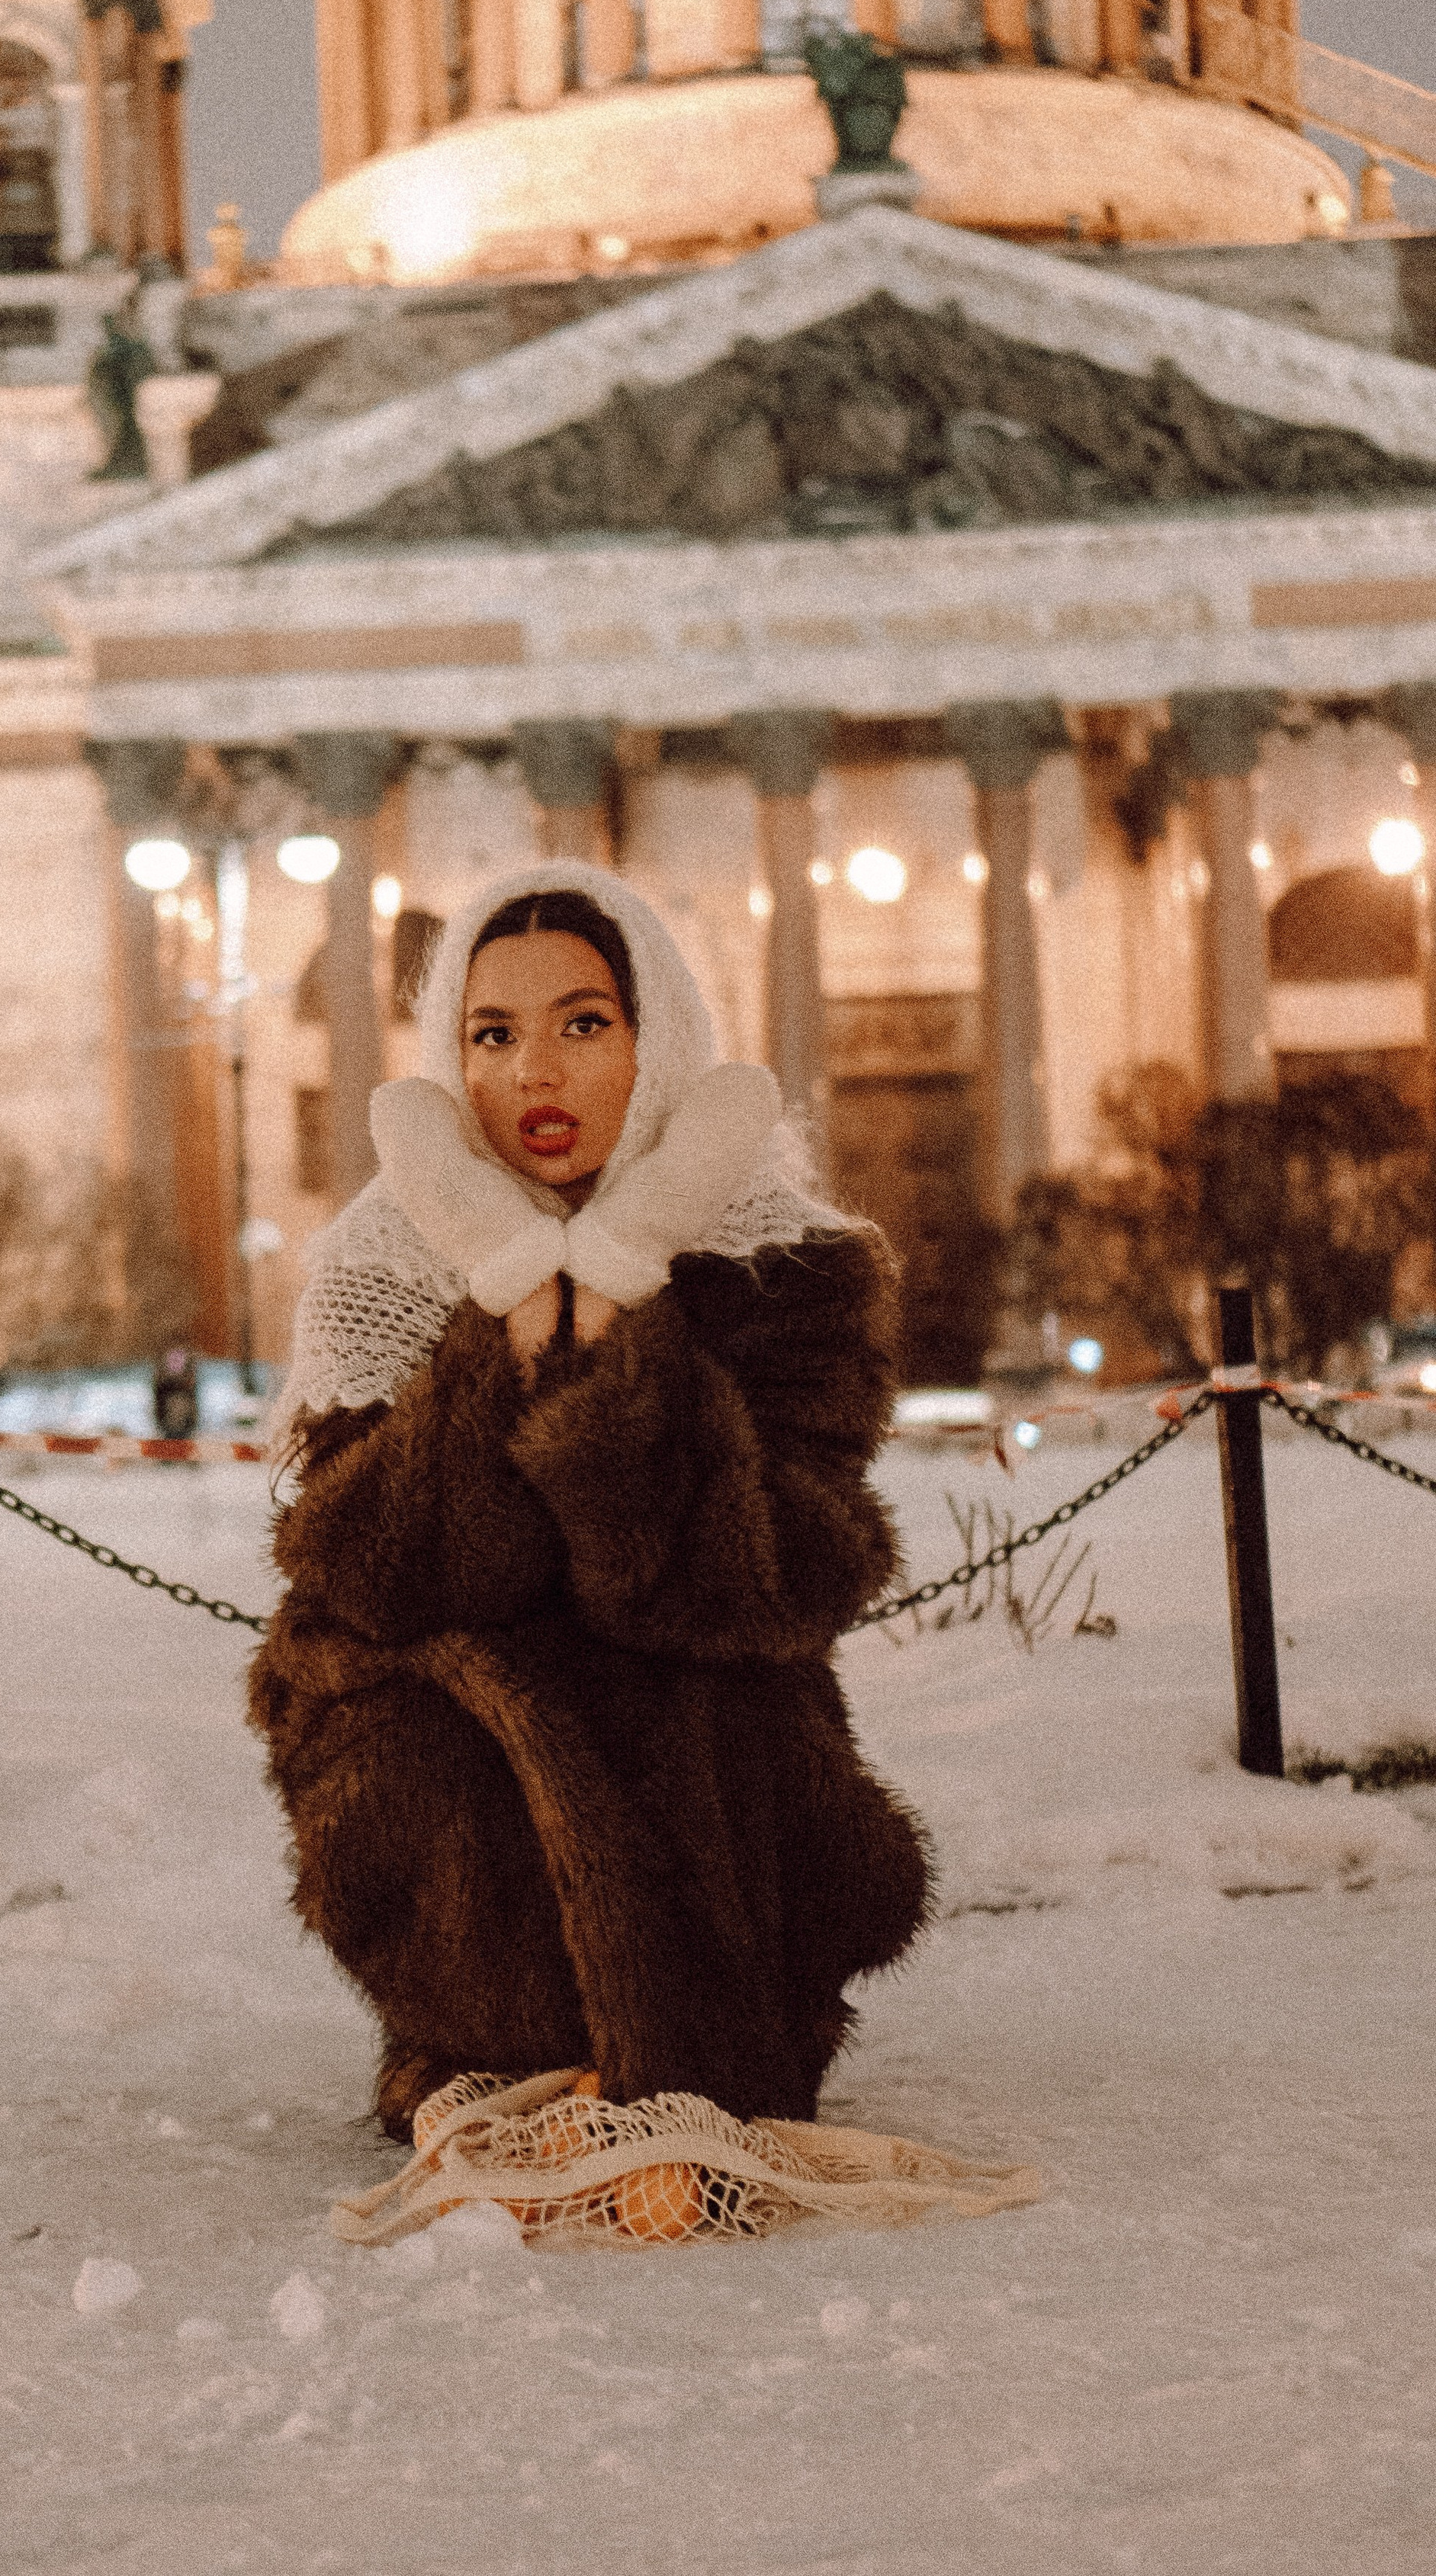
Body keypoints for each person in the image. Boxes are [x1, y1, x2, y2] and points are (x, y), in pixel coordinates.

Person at [249, 862, 930, 2141]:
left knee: (698, 1720)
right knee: (441, 1736)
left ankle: (679, 2059)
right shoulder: (384, 1261)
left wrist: (621, 1310)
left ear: (654, 1036)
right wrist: (501, 1326)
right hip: (441, 1738)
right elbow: (369, 1570)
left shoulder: (788, 1268)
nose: (535, 1076)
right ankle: (478, 2044)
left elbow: (785, 1568)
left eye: (583, 1024)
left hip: (718, 1726)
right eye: (491, 1037)